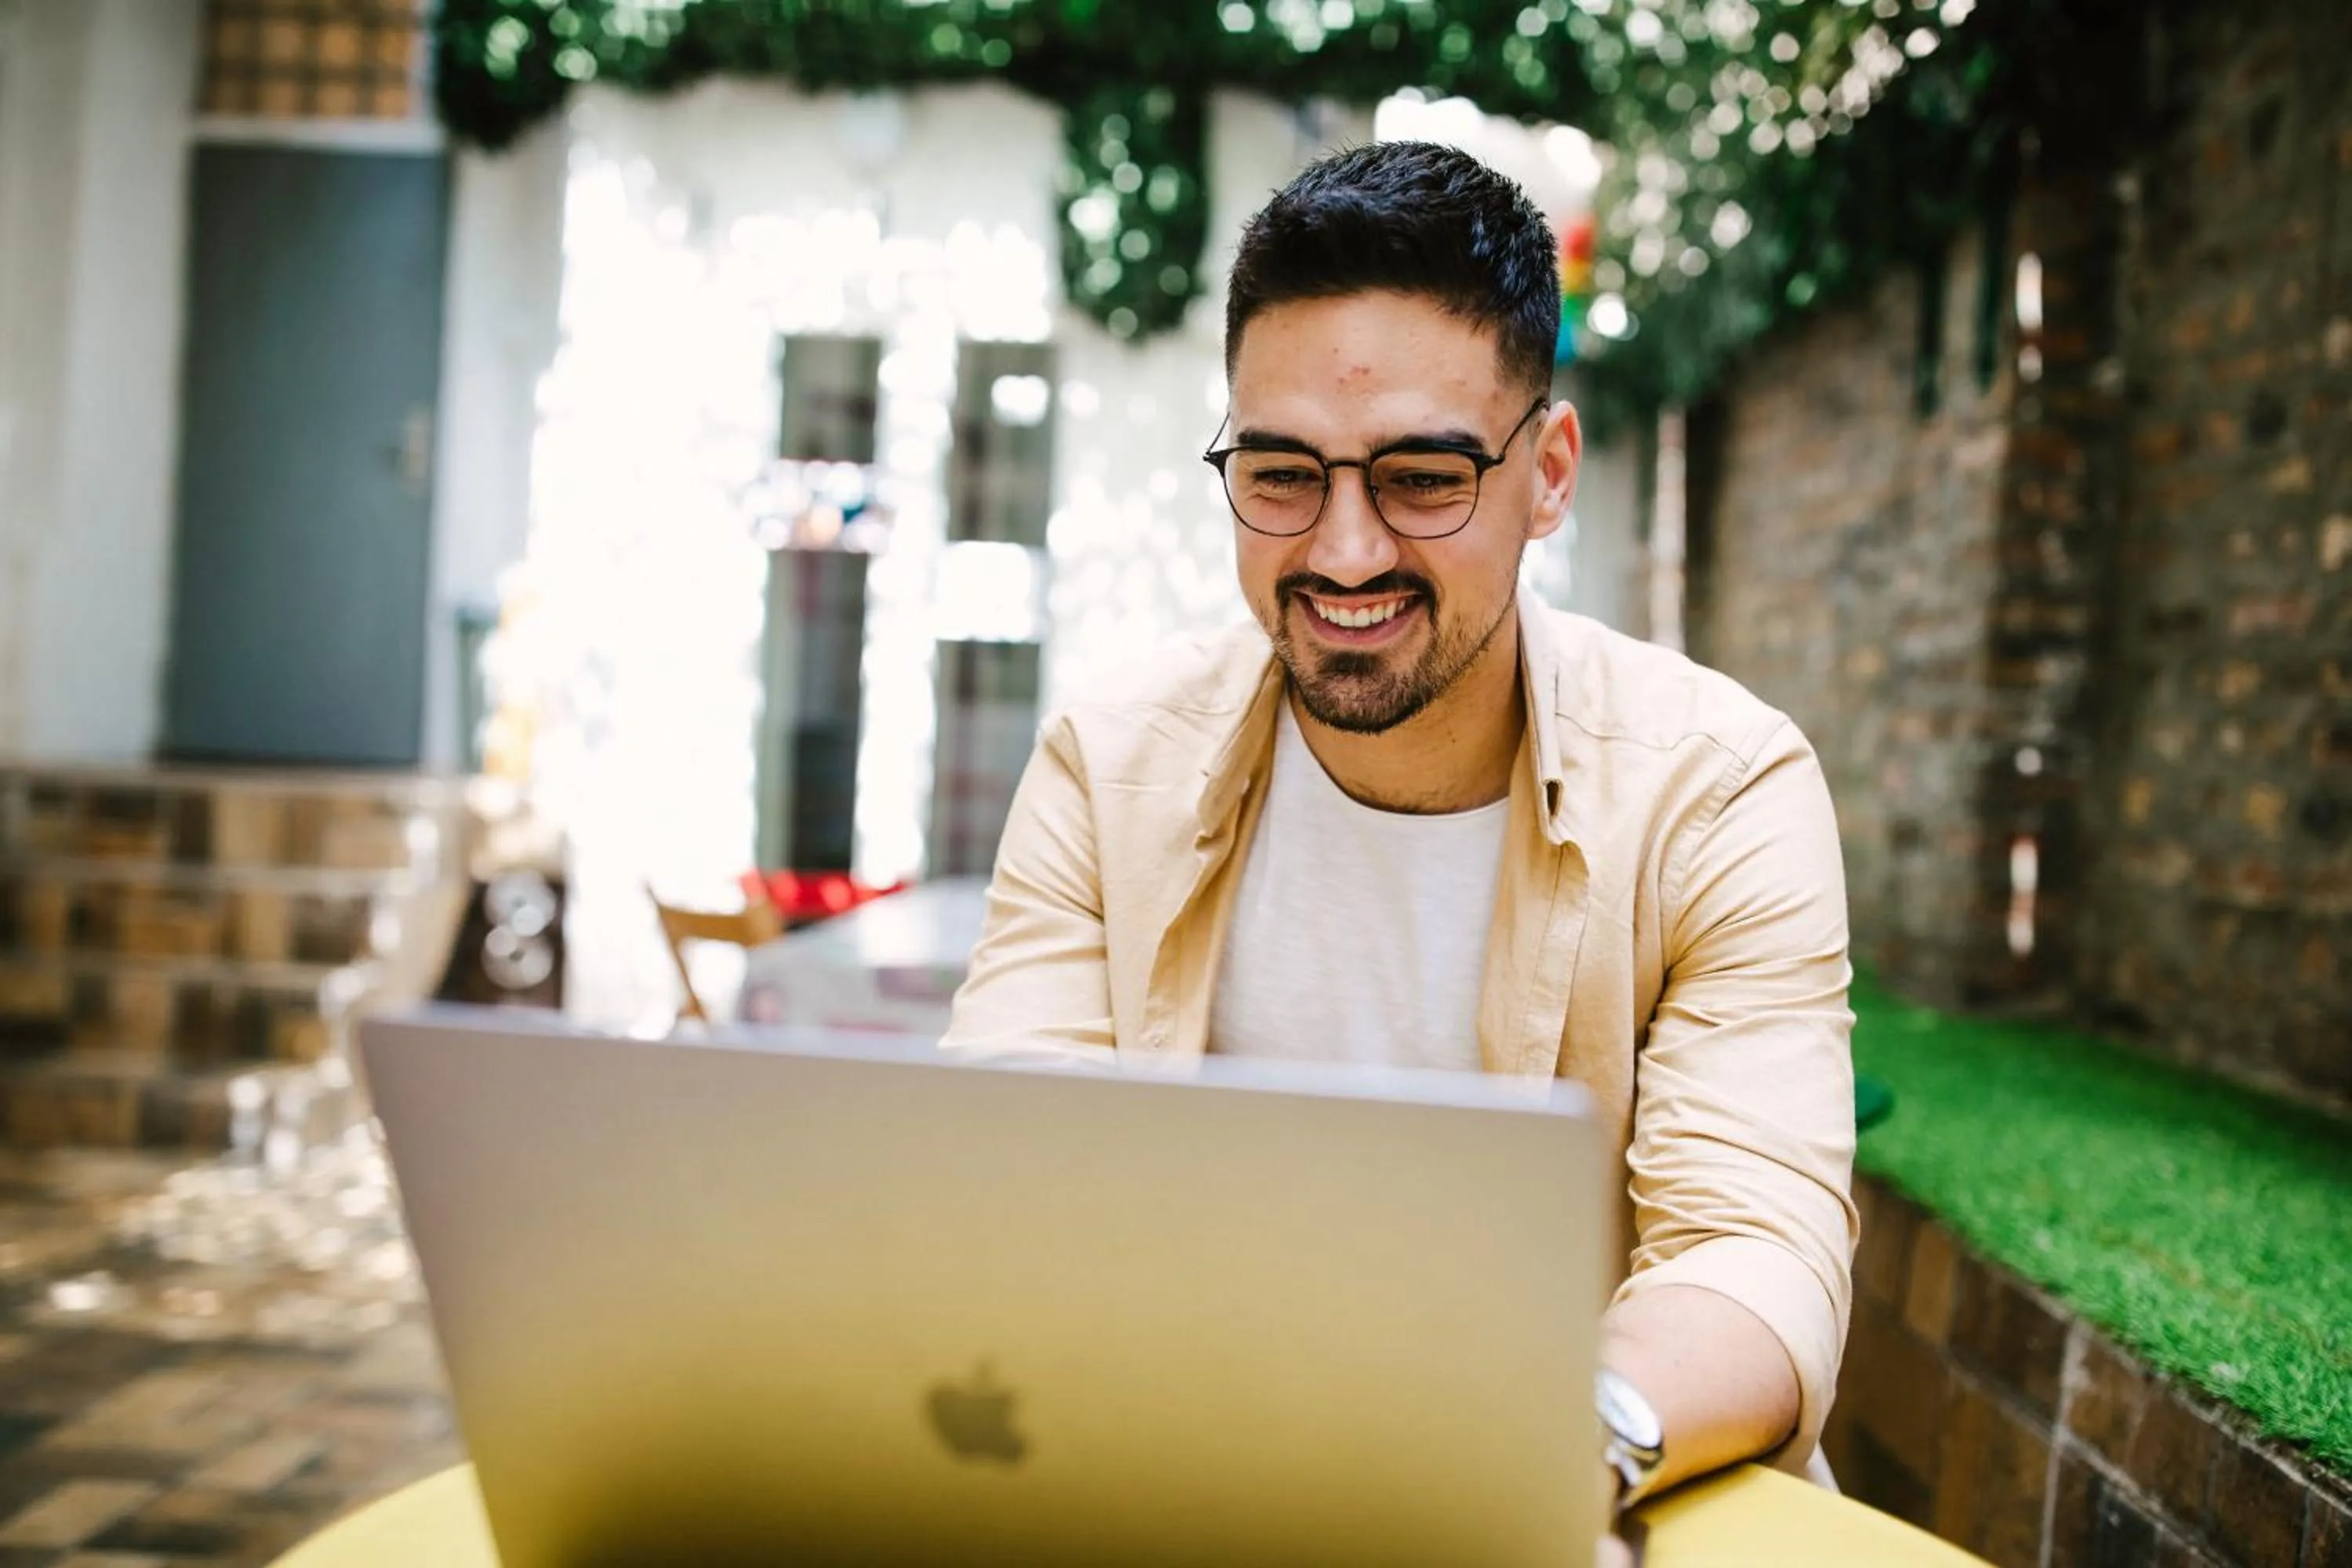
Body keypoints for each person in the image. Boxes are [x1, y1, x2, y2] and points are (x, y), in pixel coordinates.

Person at [945, 140, 1857, 1527]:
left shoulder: (1718, 791)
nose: (1345, 551)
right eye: (1281, 474)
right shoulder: (1108, 766)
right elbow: (1006, 1186)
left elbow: (1753, 1252)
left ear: (1549, 472)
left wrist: (1539, 1460)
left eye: (1424, 477)